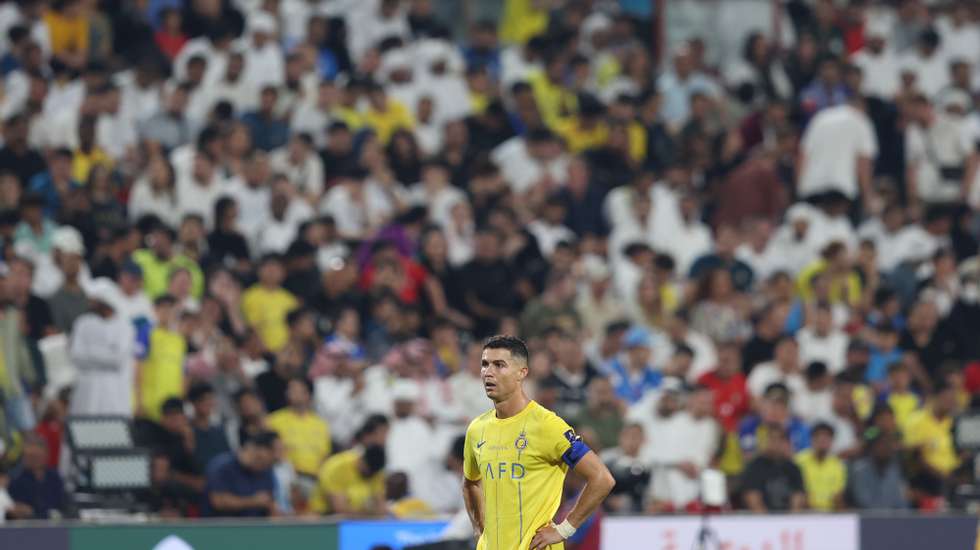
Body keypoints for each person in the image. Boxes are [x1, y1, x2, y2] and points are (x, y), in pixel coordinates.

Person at [462, 335, 615, 550]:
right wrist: (480, 530)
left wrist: (564, 530)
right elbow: (470, 483)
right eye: (485, 364)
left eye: (499, 365)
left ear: (522, 372)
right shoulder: (477, 429)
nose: (488, 372)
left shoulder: (547, 425)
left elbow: (602, 478)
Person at [265, 377, 331, 478]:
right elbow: (270, 452)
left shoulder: (321, 424)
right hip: (286, 476)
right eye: (289, 389)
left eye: (296, 390)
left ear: (307, 394)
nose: (291, 392)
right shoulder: (274, 420)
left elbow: (325, 456)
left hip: (314, 477)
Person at [204, 431, 279, 517]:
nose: (264, 465)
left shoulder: (267, 470)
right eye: (260, 459)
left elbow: (270, 505)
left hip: (256, 527)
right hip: (220, 526)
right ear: (255, 450)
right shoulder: (221, 465)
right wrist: (253, 501)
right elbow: (218, 501)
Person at [740, 424, 805, 513]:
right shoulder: (755, 467)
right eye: (772, 439)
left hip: (787, 519)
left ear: (786, 442)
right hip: (762, 519)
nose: (775, 443)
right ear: (765, 441)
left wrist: (791, 518)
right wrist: (768, 522)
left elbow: (798, 496)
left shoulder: (793, 468)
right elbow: (752, 497)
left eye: (780, 439)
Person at [310, 444, 388, 516]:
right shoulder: (336, 468)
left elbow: (381, 507)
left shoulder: (375, 472)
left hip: (360, 517)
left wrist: (378, 512)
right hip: (325, 515)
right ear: (361, 460)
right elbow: (340, 508)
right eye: (367, 472)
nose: (370, 476)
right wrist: (371, 513)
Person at [7, 434, 66, 519]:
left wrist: (34, 512)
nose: (33, 460)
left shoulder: (55, 478)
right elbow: (11, 511)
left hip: (57, 526)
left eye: (36, 456)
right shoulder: (15, 481)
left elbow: (66, 507)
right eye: (29, 456)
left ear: (46, 455)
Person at [794, 422, 846, 511]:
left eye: (826, 438)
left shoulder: (837, 465)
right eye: (819, 438)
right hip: (805, 512)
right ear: (812, 439)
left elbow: (838, 495)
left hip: (830, 514)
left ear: (831, 441)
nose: (823, 441)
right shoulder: (799, 461)